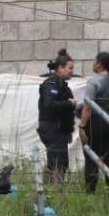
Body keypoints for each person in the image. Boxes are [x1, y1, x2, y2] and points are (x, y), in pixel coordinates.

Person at [79, 51, 109, 193]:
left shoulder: (95, 81)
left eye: (94, 61)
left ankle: (90, 192)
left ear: (99, 64)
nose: (93, 63)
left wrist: (82, 126)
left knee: (92, 158)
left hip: (97, 124)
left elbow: (88, 107)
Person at [37, 49, 78, 183]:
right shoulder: (51, 84)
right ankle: (55, 189)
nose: (71, 71)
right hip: (52, 128)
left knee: (59, 162)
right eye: (70, 68)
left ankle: (48, 188)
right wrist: (68, 103)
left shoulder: (62, 86)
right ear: (60, 68)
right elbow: (49, 104)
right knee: (58, 162)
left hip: (59, 129)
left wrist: (68, 130)